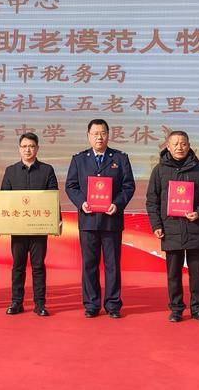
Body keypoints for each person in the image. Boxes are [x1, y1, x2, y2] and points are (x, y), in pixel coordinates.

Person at [65, 119, 136, 319]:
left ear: (108, 135)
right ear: (88, 136)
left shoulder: (120, 158)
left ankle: (113, 304)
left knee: (112, 264)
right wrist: (81, 202)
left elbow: (128, 186)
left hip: (111, 220)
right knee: (89, 264)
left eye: (103, 133)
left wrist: (117, 203)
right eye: (95, 133)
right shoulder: (79, 160)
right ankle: (91, 304)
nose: (99, 137)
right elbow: (71, 186)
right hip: (88, 220)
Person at [146, 130, 199, 323]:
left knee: (197, 274)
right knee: (173, 274)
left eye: (183, 143)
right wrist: (156, 225)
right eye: (175, 144)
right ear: (168, 147)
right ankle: (176, 309)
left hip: (196, 227)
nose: (180, 147)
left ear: (189, 145)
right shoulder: (159, 170)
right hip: (170, 229)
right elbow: (152, 200)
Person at [1, 133, 59, 317]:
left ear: (37, 149)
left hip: (38, 228)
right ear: (19, 149)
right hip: (17, 229)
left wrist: (56, 221)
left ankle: (39, 304)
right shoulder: (11, 171)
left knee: (38, 266)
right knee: (18, 265)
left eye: (31, 146)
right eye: (24, 146)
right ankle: (16, 302)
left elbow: (53, 197)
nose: (28, 150)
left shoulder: (47, 170)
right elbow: (4, 199)